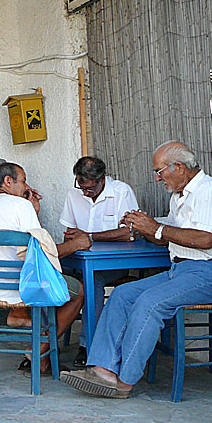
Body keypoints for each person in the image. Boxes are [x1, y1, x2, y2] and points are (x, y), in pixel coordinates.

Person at [61, 141, 212, 399]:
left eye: (160, 171)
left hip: (206, 271)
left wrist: (156, 227)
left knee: (149, 303)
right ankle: (103, 370)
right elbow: (168, 238)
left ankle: (125, 382)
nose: (157, 178)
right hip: (179, 271)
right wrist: (144, 227)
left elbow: (206, 240)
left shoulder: (208, 190)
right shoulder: (179, 196)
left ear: (178, 167)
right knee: (122, 294)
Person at [0, 162, 88, 374]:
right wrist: (76, 245)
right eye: (23, 181)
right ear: (8, 182)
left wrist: (33, 210)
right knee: (78, 290)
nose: (26, 187)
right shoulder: (20, 206)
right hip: (20, 289)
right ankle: (40, 350)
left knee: (48, 284)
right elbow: (42, 255)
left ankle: (22, 316)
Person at [60, 156, 139, 368]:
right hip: (80, 259)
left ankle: (88, 346)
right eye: (81, 187)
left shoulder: (121, 192)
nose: (85, 192)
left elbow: (129, 233)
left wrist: (90, 236)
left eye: (90, 189)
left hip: (113, 263)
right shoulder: (74, 193)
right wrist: (74, 239)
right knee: (50, 271)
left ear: (102, 179)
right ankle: (43, 342)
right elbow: (68, 233)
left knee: (92, 280)